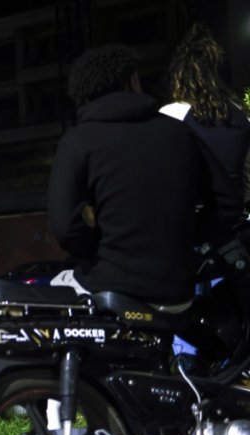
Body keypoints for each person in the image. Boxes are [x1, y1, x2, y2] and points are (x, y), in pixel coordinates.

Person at [47, 43, 223, 307]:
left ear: (84, 96)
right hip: (178, 294)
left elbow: (64, 228)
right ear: (131, 80)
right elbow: (226, 201)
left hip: (111, 290)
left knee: (49, 291)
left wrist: (98, 248)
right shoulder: (179, 132)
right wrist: (184, 238)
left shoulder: (77, 141)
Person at [161, 23, 250, 223]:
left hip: (195, 220)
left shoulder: (169, 116)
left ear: (179, 78)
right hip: (236, 219)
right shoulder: (240, 115)